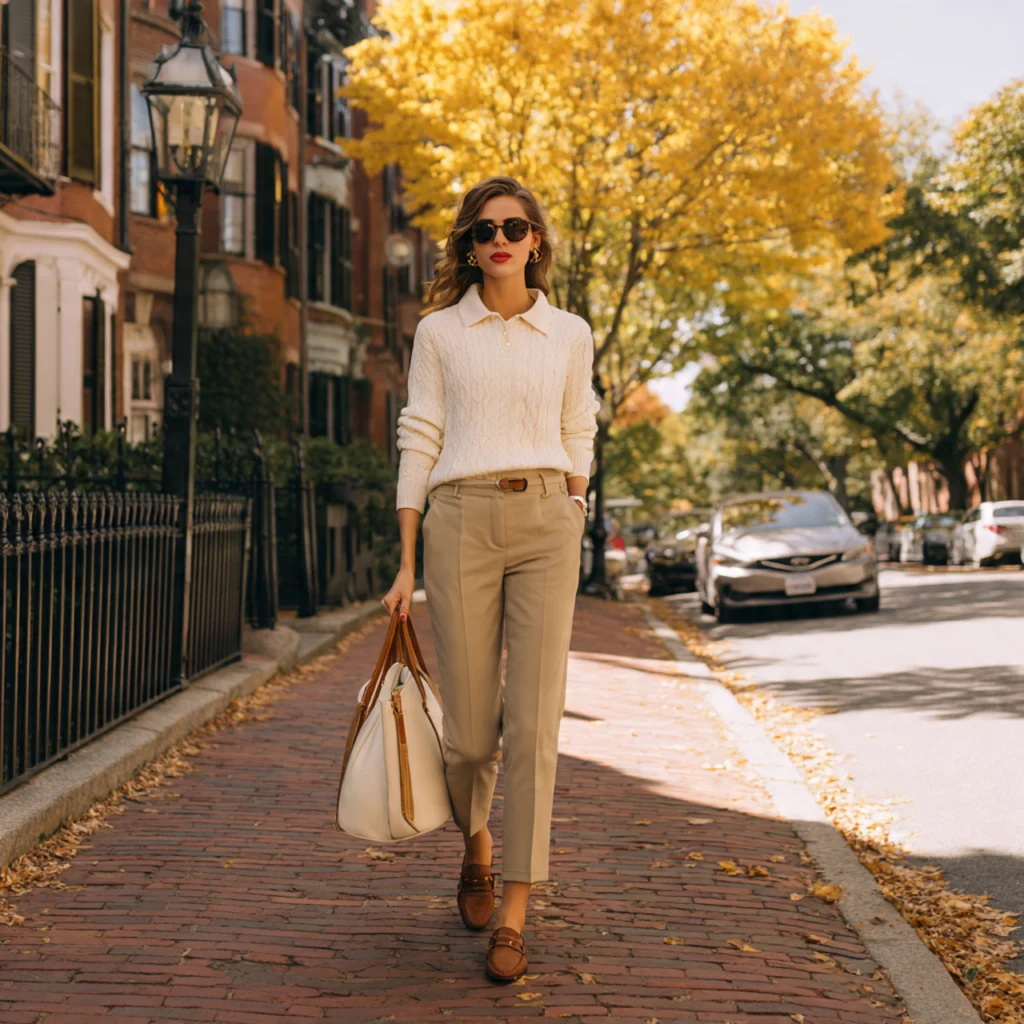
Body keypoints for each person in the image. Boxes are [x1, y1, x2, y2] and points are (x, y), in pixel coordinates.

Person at [381, 176, 599, 982]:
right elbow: (420, 434)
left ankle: (516, 901)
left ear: (536, 240)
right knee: (471, 733)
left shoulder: (569, 333)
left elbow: (580, 424)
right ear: (467, 248)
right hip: (461, 520)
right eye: (483, 231)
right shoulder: (440, 331)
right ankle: (474, 838)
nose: (499, 240)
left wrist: (574, 504)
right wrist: (405, 560)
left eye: (513, 227)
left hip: (547, 520)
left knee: (535, 724)